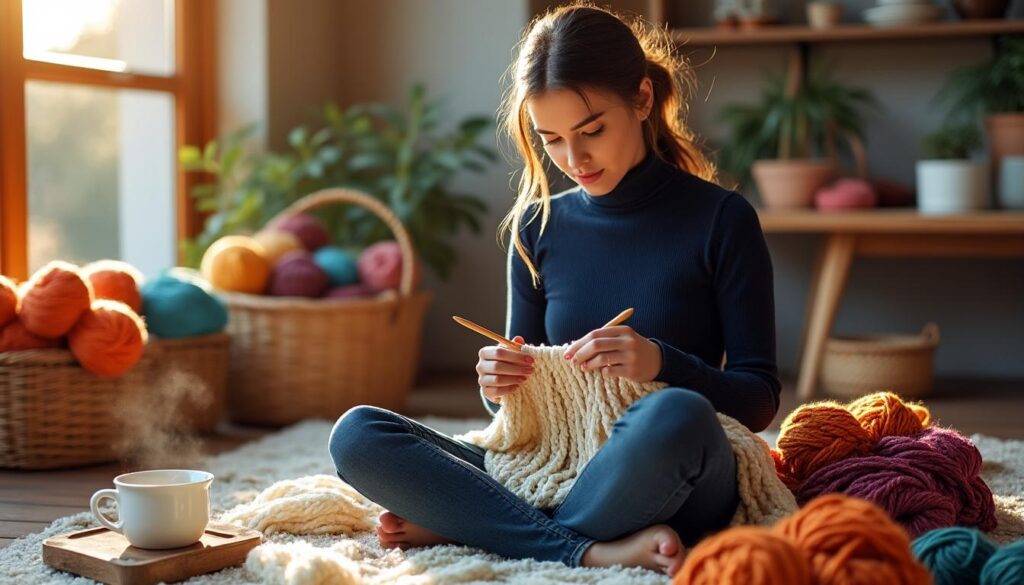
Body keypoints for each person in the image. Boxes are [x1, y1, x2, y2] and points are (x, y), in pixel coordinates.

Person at [329, 3, 780, 577]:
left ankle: (484, 523)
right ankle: (585, 547)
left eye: (592, 131)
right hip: (555, 463)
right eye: (552, 139)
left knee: (676, 416)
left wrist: (661, 362)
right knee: (359, 434)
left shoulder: (722, 219)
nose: (574, 159)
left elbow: (759, 398)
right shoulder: (536, 226)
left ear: (642, 100)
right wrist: (500, 383)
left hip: (666, 468)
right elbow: (522, 415)